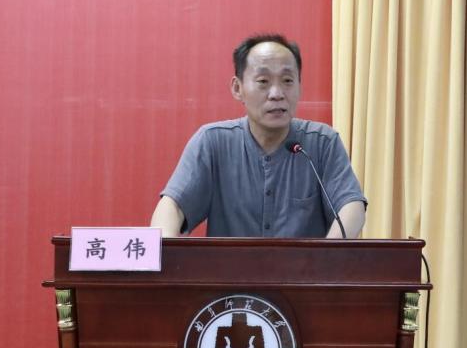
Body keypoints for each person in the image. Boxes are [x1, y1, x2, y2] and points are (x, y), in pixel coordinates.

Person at [151, 34, 367, 238]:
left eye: (287, 81)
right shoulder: (213, 142)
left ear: (299, 87)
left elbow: (351, 206)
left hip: (307, 267)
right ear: (238, 88)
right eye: (263, 81)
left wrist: (329, 255)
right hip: (230, 267)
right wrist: (164, 250)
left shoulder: (322, 142)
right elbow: (173, 206)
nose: (277, 94)